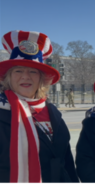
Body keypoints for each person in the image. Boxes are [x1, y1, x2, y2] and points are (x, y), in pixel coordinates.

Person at [0, 30, 79, 184]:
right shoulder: (2, 112)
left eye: (32, 71)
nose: (25, 76)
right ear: (8, 77)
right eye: (18, 70)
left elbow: (66, 159)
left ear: (41, 79)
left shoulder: (53, 112)